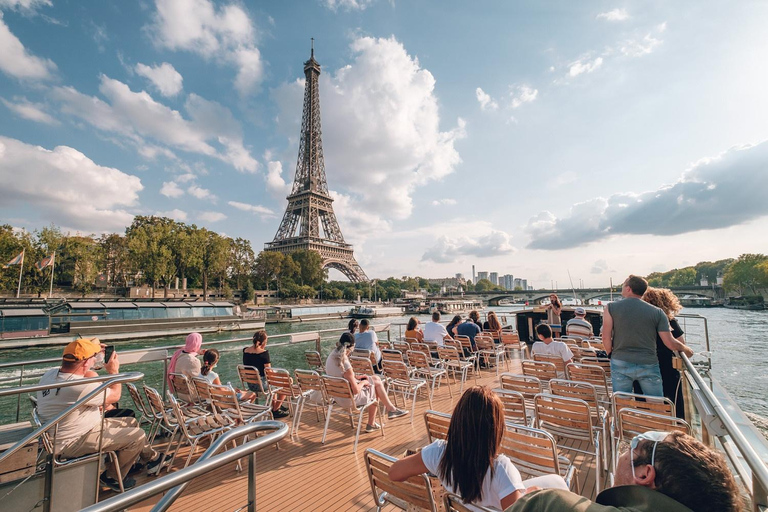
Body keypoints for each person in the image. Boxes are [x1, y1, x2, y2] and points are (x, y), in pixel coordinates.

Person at [389, 386, 568, 510]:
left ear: (457, 420)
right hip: (495, 504)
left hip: (464, 504)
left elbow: (394, 473)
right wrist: (530, 494)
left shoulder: (438, 453)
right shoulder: (501, 469)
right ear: (495, 428)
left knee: (555, 481)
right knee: (557, 484)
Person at [36, 338, 165, 491]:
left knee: (130, 422)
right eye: (93, 358)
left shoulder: (50, 375)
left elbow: (85, 372)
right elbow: (115, 395)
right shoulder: (80, 387)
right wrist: (113, 371)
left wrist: (93, 349)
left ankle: (151, 459)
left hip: (66, 432)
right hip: (73, 440)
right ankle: (112, 477)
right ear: (85, 363)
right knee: (137, 435)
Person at [508, 431, 742, 512]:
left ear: (644, 474)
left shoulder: (547, 505)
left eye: (632, 446)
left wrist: (533, 499)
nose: (625, 450)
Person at [602, 275, 693, 396]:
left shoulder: (611, 308)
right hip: (648, 362)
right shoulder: (658, 312)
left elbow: (606, 337)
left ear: (628, 289)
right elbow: (669, 342)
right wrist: (686, 350)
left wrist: (610, 353)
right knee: (655, 403)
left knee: (621, 401)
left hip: (620, 359)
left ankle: (627, 414)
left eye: (623, 285)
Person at [325, 333, 407, 431]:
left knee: (375, 379)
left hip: (337, 396)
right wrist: (363, 383)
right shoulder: (345, 362)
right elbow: (355, 391)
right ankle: (377, 420)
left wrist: (357, 377)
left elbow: (342, 376)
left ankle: (391, 410)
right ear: (352, 347)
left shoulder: (331, 357)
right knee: (375, 386)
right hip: (349, 399)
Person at [642, 287, 688, 418]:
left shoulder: (642, 321)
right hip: (666, 364)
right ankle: (675, 427)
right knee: (673, 401)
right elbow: (679, 342)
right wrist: (687, 351)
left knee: (645, 401)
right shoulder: (668, 320)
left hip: (644, 363)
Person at [243, 331, 289, 418]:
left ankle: (274, 406)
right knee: (286, 384)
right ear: (263, 342)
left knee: (273, 384)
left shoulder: (245, 351)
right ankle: (276, 409)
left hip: (250, 384)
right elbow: (269, 372)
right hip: (261, 385)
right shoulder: (263, 354)